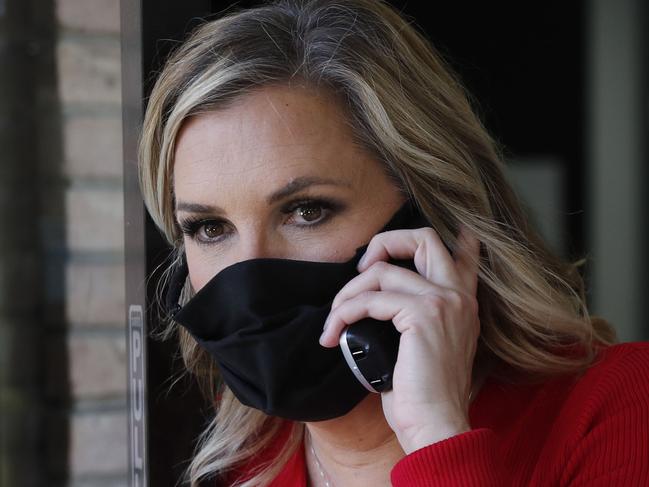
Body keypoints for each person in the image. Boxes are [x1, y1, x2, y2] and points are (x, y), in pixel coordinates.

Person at [137, 0, 649, 486]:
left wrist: (436, 435)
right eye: (209, 228)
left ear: (430, 210)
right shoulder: (241, 463)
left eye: (307, 211)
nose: (248, 280)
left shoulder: (616, 406)